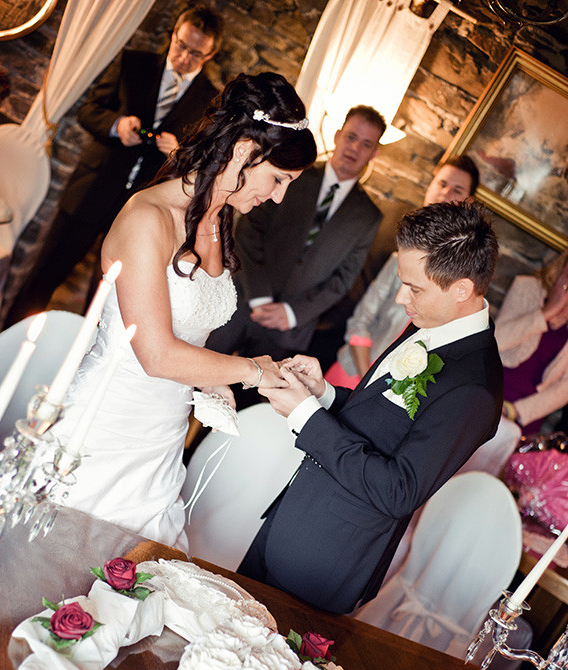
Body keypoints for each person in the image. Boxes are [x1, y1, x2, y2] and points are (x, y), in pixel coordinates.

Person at [49, 72, 317, 551]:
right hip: (108, 426)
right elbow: (154, 353)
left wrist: (211, 377)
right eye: (278, 179)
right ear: (242, 150)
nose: (278, 196)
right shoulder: (147, 218)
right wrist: (253, 372)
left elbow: (186, 331)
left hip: (164, 435)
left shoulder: (221, 218)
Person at [238, 201, 503, 614]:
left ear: (462, 289)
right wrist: (323, 394)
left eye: (414, 288)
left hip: (326, 561)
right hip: (289, 521)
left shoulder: (475, 389)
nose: (401, 298)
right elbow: (378, 420)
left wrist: (305, 416)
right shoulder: (428, 322)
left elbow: (399, 491)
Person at [3, 5, 224, 327]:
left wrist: (177, 154)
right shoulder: (133, 64)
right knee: (44, 275)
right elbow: (88, 111)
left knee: (105, 300)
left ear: (211, 54)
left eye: (196, 53)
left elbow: (202, 165)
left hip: (140, 212)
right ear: (174, 34)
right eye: (181, 45)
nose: (184, 57)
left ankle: (78, 368)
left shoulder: (210, 101)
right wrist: (116, 125)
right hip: (91, 189)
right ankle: (2, 345)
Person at [206, 105, 385, 365]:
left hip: (289, 331)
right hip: (241, 301)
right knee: (203, 372)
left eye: (366, 144)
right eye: (351, 137)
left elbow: (343, 279)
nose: (355, 148)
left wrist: (291, 314)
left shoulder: (369, 216)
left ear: (374, 152)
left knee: (253, 404)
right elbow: (249, 230)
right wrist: (260, 297)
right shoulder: (292, 174)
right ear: (337, 135)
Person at [327, 155, 480, 388]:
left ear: (468, 201)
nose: (446, 193)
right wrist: (366, 379)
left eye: (457, 190)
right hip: (351, 365)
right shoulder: (391, 227)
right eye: (442, 183)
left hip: (394, 391)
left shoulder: (459, 282)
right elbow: (361, 319)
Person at [495, 249, 568, 434]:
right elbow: (496, 340)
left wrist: (514, 411)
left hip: (521, 417)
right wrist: (546, 313)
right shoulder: (527, 288)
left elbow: (563, 391)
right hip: (488, 386)